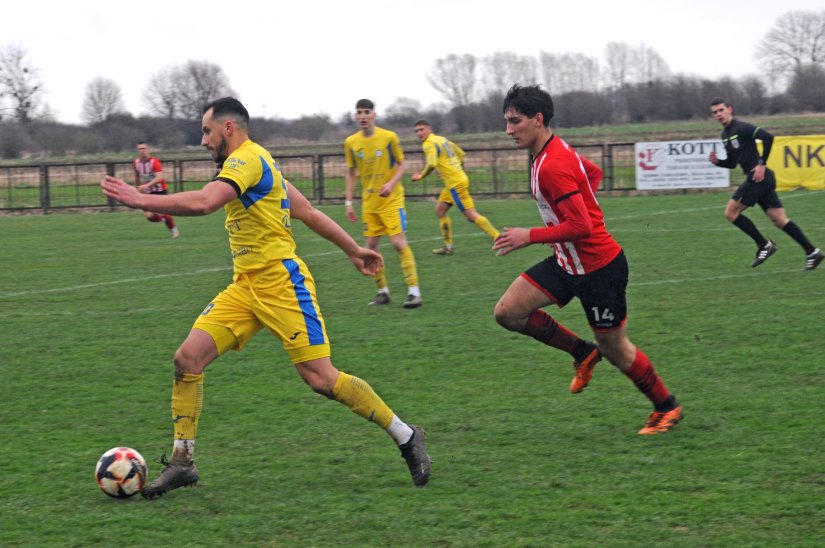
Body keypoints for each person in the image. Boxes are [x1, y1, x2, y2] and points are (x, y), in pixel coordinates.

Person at [101, 97, 431, 498]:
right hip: (244, 287)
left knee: (321, 379)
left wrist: (140, 199)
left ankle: (407, 435)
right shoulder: (261, 164)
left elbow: (206, 202)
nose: (203, 140)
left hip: (281, 284)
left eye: (206, 131)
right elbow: (307, 210)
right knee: (187, 360)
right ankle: (182, 462)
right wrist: (354, 249)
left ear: (228, 128)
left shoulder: (248, 160)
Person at [493, 84, 683, 435]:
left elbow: (580, 226)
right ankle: (582, 352)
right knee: (508, 312)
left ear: (537, 120)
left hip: (599, 270)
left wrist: (529, 235)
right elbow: (591, 175)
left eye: (514, 121)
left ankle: (666, 407)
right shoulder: (548, 151)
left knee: (617, 350)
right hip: (566, 263)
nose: (508, 130)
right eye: (506, 121)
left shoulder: (553, 163)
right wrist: (575, 214)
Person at [708, 98, 823, 270]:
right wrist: (718, 162)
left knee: (731, 213)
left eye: (721, 110)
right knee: (779, 220)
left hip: (758, 178)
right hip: (762, 180)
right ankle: (812, 252)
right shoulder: (725, 135)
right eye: (715, 112)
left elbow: (768, 137)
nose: (719, 114)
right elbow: (733, 163)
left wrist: (761, 164)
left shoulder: (742, 127)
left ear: (729, 109)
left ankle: (764, 245)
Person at [344, 99, 422, 308]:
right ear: (355, 116)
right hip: (369, 202)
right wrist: (349, 202)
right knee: (370, 247)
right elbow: (351, 172)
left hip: (391, 199)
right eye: (359, 112)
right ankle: (382, 292)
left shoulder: (389, 137)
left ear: (374, 115)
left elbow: (402, 164)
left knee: (398, 243)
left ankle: (414, 292)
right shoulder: (351, 142)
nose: (362, 116)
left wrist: (391, 183)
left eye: (366, 112)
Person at [410, 120, 500, 255]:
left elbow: (432, 163)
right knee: (440, 211)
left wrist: (420, 176)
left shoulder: (428, 144)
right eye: (416, 131)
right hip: (455, 182)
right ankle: (448, 247)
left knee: (471, 216)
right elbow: (461, 154)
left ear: (429, 128)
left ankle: (500, 240)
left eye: (421, 129)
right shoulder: (442, 139)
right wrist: (457, 169)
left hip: (455, 184)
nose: (419, 133)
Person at [134, 141, 180, 238]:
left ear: (148, 150)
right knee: (149, 217)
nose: (142, 151)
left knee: (161, 212)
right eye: (139, 149)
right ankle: (165, 218)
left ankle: (174, 231)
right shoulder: (136, 163)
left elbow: (159, 178)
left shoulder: (154, 162)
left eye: (144, 148)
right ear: (137, 151)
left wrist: (147, 185)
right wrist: (138, 188)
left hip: (160, 191)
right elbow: (137, 176)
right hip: (148, 192)